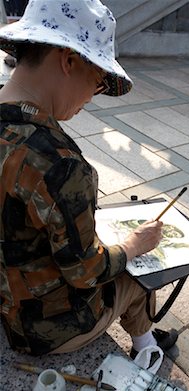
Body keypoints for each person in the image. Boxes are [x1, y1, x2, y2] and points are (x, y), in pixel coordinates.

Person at [0, 0, 178, 357]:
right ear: (69, 61)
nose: (91, 99)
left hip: (8, 300)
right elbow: (86, 271)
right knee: (140, 267)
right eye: (97, 83)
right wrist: (132, 246)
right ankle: (146, 350)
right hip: (46, 328)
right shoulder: (60, 163)